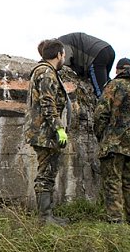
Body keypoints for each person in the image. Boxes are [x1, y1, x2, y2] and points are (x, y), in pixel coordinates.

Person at [93, 65, 130, 223]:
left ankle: (115, 221)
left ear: (119, 71)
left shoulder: (114, 85)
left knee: (112, 181)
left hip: (114, 143)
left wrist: (101, 135)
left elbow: (100, 113)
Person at [24, 38, 71, 226]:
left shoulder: (45, 71)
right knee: (46, 174)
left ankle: (47, 215)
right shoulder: (46, 72)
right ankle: (45, 218)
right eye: (63, 56)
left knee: (48, 172)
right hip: (45, 132)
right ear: (58, 55)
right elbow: (47, 102)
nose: (64, 59)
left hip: (45, 131)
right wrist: (59, 128)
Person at [58, 32, 115, 98]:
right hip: (108, 49)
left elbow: (65, 63)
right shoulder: (68, 39)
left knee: (99, 91)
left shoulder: (61, 43)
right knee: (105, 83)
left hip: (96, 55)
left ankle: (104, 106)